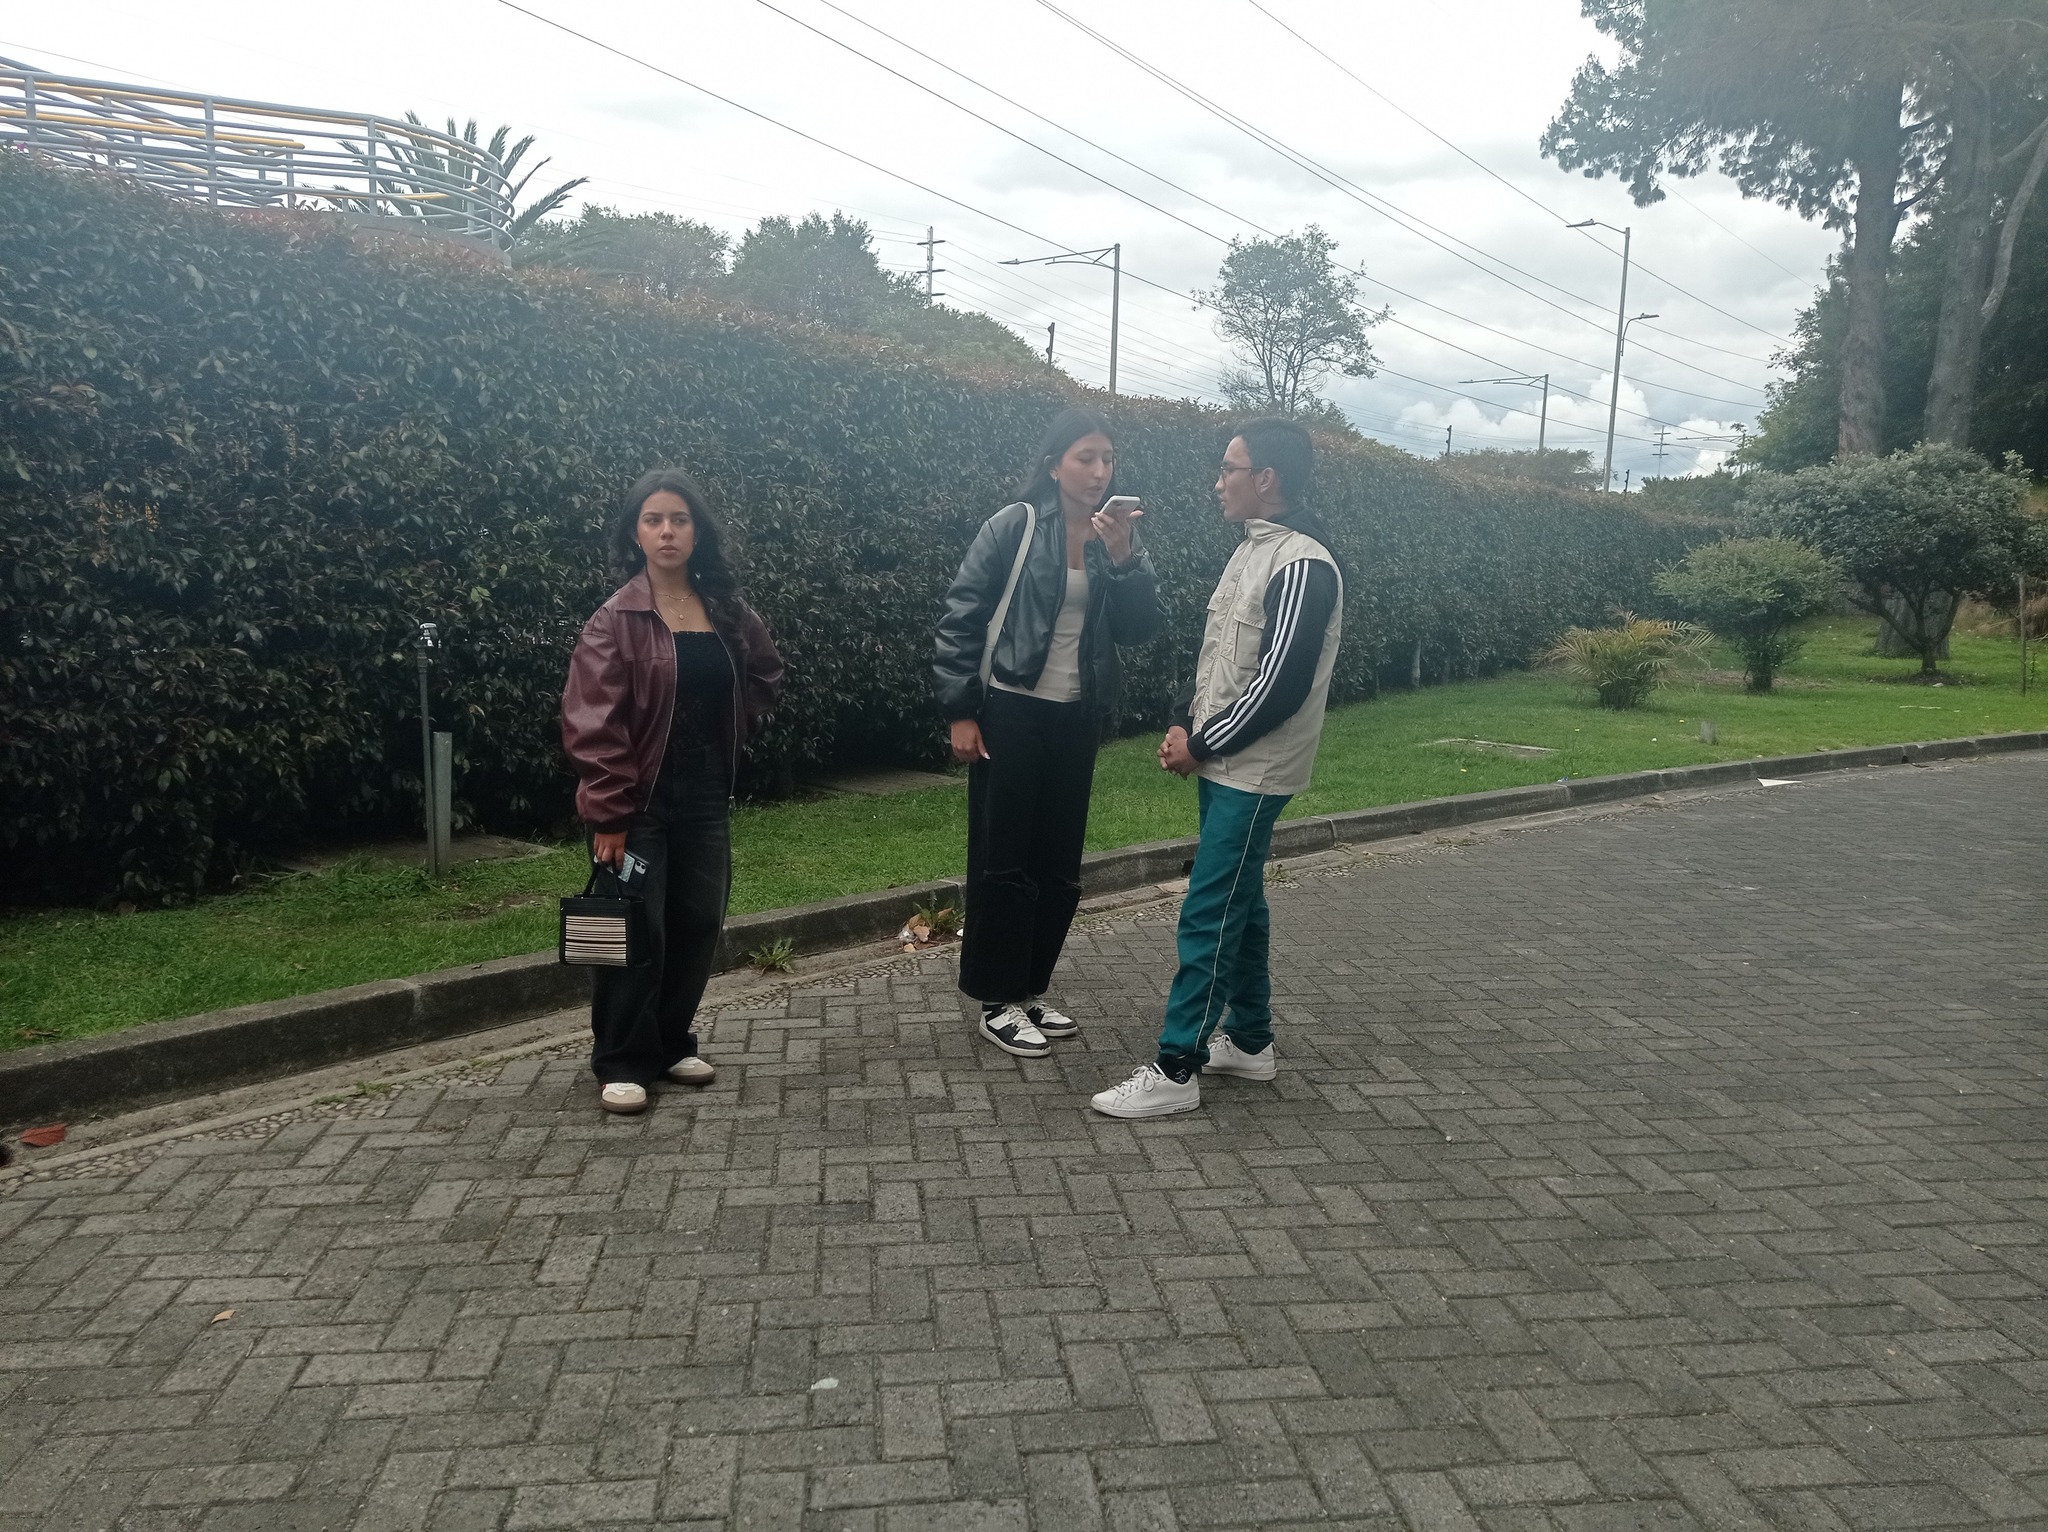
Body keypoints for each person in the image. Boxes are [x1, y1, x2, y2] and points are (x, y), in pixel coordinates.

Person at [1091, 418, 1343, 1118]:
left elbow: (1279, 686)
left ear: (1266, 478)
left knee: (1212, 907)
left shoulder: (1302, 564)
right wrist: (1183, 720)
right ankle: (1251, 1040)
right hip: (1227, 760)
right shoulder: (1253, 550)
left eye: (1229, 468)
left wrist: (1202, 744)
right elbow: (1215, 657)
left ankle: (1177, 1068)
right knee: (1242, 899)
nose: (1218, 481)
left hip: (1254, 769)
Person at [934, 407, 1163, 1058]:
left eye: (1107, 459)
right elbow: (961, 616)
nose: (1098, 471)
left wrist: (1123, 557)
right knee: (1003, 859)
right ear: (1054, 465)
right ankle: (996, 998)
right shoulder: (1014, 525)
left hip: (1076, 715)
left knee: (1059, 862)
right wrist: (960, 710)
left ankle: (1031, 987)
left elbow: (1139, 629)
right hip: (1011, 710)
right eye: (1085, 457)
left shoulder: (1114, 537)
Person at [562, 468, 783, 1115]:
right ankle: (621, 1059)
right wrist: (609, 812)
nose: (667, 531)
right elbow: (592, 722)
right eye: (653, 519)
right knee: (633, 929)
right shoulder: (615, 620)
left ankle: (669, 1042)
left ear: (697, 531)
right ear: (635, 533)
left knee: (697, 922)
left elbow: (764, 674)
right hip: (637, 803)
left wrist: (734, 727)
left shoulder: (728, 612)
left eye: (679, 520)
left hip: (706, 795)